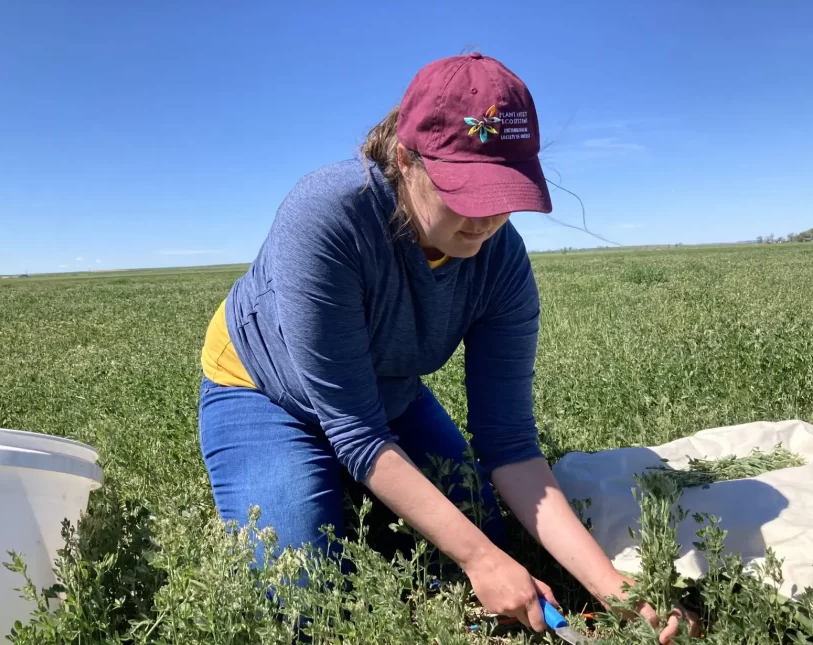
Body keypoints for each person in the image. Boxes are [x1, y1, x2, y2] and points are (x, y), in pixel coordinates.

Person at [198, 53, 697, 642]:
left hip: (387, 394)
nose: (487, 220)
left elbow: (509, 444)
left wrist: (615, 588)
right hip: (264, 390)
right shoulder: (328, 218)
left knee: (489, 530)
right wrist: (478, 559)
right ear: (405, 159)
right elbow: (355, 431)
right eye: (466, 190)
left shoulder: (502, 264)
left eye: (503, 192)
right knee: (305, 595)